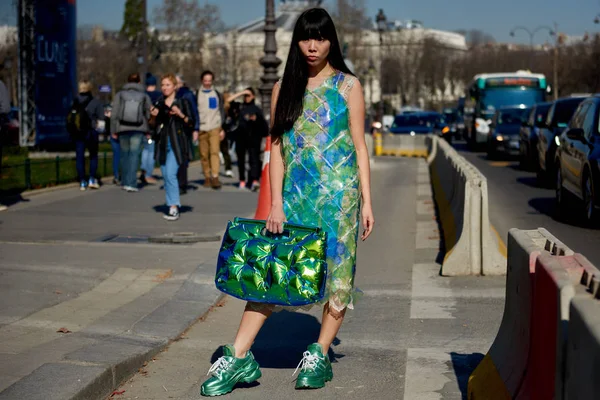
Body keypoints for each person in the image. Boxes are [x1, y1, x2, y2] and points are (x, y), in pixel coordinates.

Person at [200, 8, 375, 397]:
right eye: (305, 38)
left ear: (332, 42)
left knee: (338, 277)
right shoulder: (284, 88)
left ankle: (319, 352)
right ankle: (240, 354)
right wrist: (275, 203)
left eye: (321, 38)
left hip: (341, 198)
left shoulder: (349, 86)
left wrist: (366, 202)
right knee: (273, 274)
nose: (313, 46)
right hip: (295, 198)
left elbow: (360, 147)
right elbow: (276, 147)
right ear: (295, 42)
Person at [151, 74, 196, 221]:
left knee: (170, 174)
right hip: (163, 143)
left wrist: (180, 114)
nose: (164, 88)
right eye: (162, 85)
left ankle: (174, 207)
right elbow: (153, 124)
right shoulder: (158, 102)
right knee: (165, 174)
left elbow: (191, 122)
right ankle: (171, 203)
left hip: (177, 144)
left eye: (168, 85)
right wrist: (153, 116)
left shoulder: (183, 102)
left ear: (175, 86)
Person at [111, 73, 152, 192]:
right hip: (138, 129)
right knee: (134, 155)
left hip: (123, 129)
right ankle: (132, 183)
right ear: (139, 82)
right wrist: (148, 129)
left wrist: (113, 130)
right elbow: (148, 114)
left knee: (124, 155)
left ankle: (124, 181)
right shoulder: (144, 95)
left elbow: (114, 113)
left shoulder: (120, 94)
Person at [226, 88, 268, 190]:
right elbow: (228, 101)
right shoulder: (240, 106)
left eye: (248, 95)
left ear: (253, 96)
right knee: (241, 159)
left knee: (253, 159)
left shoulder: (256, 108)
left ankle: (254, 180)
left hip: (254, 137)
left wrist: (254, 119)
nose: (246, 98)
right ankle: (242, 180)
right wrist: (242, 92)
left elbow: (262, 124)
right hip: (240, 136)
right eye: (245, 96)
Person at [70, 80, 105, 191]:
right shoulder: (95, 102)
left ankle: (82, 181)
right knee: (93, 156)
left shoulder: (74, 102)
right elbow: (101, 120)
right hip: (91, 132)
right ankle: (91, 178)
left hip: (78, 133)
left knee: (80, 157)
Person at [197, 70, 226, 189]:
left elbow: (221, 111)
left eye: (209, 80)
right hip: (201, 127)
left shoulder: (217, 94)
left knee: (214, 152)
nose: (207, 83)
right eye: (205, 80)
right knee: (204, 154)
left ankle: (215, 177)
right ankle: (207, 177)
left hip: (215, 127)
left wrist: (221, 128)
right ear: (202, 81)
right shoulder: (197, 94)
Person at [175, 74, 200, 194]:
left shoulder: (188, 95)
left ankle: (182, 184)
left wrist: (196, 129)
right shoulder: (170, 96)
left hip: (185, 129)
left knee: (183, 157)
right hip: (173, 130)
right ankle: (175, 182)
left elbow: (195, 112)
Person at [140, 74, 162, 185]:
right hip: (153, 127)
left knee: (145, 150)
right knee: (151, 150)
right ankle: (148, 173)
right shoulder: (159, 95)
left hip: (142, 127)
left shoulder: (142, 95)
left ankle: (143, 169)